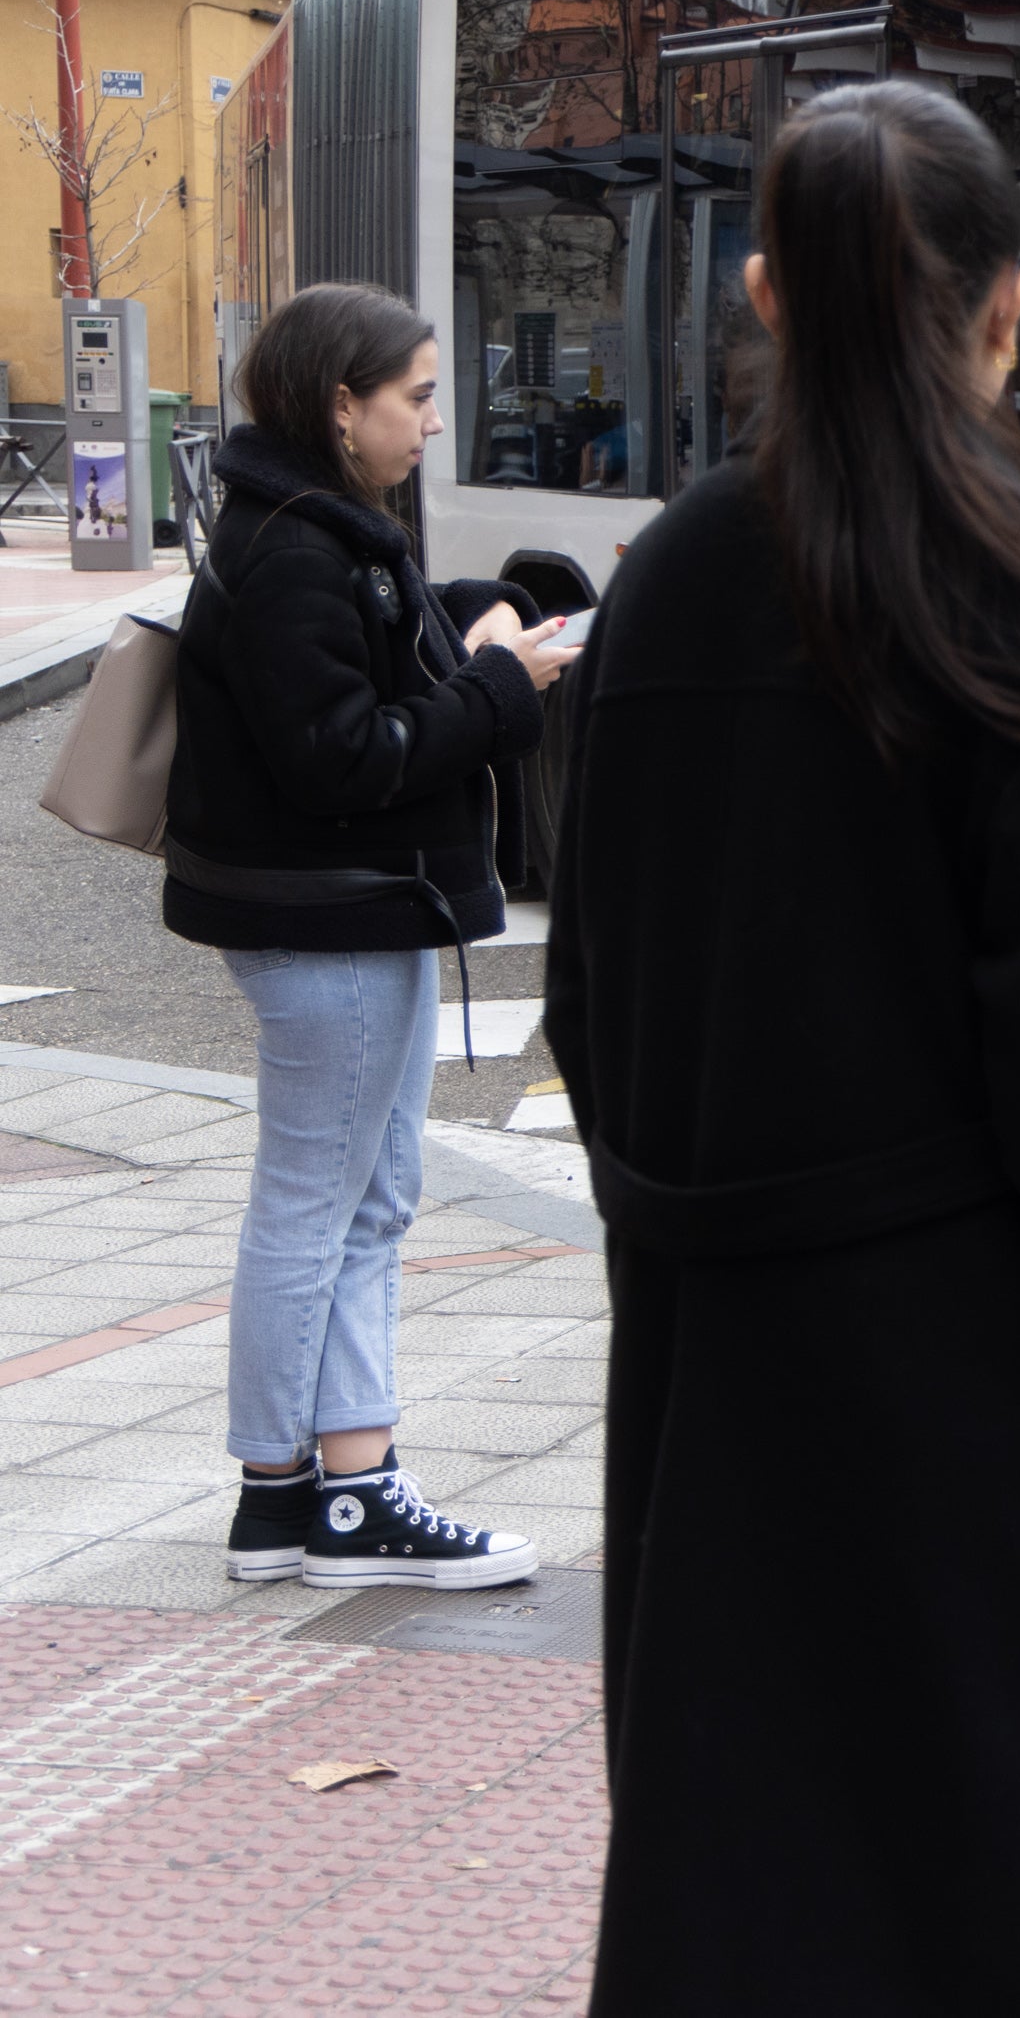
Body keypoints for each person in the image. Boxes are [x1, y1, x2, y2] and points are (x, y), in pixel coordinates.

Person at [549, 78, 1020, 2011]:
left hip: (727, 1437)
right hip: (1008, 1472)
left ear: (765, 300)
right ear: (1009, 312)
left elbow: (591, 1004)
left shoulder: (663, 590)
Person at [167, 281, 575, 1589]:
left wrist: (470, 626)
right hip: (329, 914)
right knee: (324, 1198)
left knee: (364, 1194)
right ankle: (317, 1490)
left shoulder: (314, 525)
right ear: (339, 406)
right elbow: (345, 755)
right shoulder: (293, 547)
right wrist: (503, 689)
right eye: (414, 397)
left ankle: (325, 1487)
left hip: (352, 909)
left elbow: (370, 667)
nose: (432, 422)